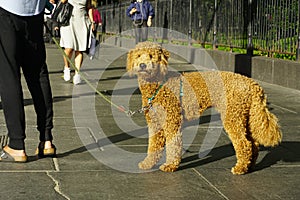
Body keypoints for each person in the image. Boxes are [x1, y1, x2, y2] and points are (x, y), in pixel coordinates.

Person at [0, 0, 56, 162]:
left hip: (6, 9)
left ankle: (17, 145)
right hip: (35, 11)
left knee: (9, 76)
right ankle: (46, 140)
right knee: (38, 75)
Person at [58, 0, 93, 85]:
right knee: (68, 48)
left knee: (79, 48)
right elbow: (62, 1)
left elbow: (89, 8)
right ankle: (67, 67)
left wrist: (92, 22)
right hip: (68, 20)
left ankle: (77, 74)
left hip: (82, 21)